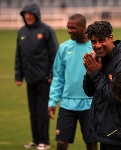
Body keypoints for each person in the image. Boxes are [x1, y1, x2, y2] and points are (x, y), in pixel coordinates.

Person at [83, 21, 121, 150]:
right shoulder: (99, 58)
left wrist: (96, 74)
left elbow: (116, 96)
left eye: (101, 40)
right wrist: (89, 72)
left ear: (111, 38)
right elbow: (89, 91)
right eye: (93, 41)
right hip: (107, 132)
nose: (97, 45)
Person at [48, 14, 98, 150]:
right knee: (61, 143)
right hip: (67, 104)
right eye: (68, 27)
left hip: (90, 103)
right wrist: (53, 101)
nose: (69, 30)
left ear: (83, 27)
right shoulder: (64, 48)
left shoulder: (95, 48)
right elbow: (58, 76)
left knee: (91, 143)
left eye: (73, 27)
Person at [14, 2, 58, 150]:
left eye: (30, 14)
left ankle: (44, 142)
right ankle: (35, 139)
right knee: (33, 110)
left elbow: (55, 54)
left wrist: (51, 74)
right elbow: (19, 56)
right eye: (25, 14)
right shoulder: (21, 32)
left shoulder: (46, 30)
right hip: (29, 78)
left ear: (36, 15)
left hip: (45, 79)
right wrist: (18, 75)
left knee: (42, 111)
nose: (28, 16)